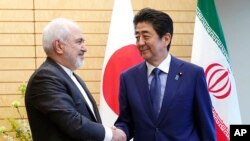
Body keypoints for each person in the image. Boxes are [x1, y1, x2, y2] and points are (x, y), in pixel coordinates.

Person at [114, 8, 216, 141]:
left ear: (166, 39)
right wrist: (118, 132)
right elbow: (126, 121)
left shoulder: (193, 74)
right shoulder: (128, 78)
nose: (140, 43)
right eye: (137, 37)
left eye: (145, 36)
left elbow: (205, 124)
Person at [25, 18, 126, 141]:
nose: (84, 48)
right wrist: (110, 134)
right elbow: (72, 123)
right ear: (59, 46)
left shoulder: (70, 77)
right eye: (79, 42)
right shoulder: (45, 78)